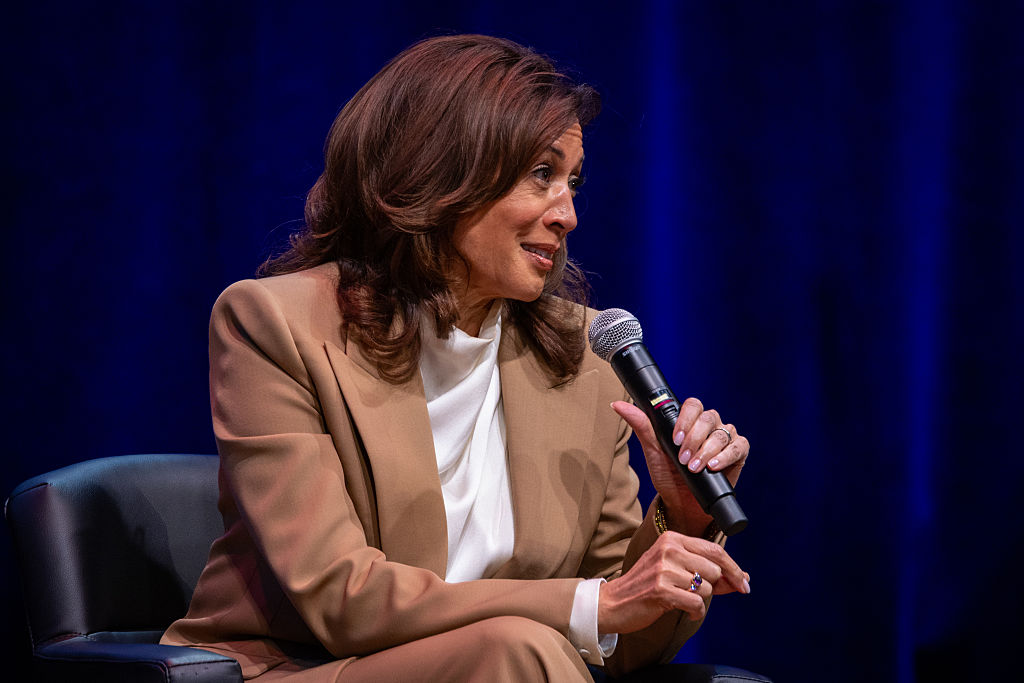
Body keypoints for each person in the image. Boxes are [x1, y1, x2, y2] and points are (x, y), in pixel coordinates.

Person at [161, 34, 751, 682]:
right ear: (443, 171)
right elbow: (339, 594)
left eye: (574, 183)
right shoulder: (278, 325)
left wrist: (681, 514)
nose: (568, 215)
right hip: (309, 668)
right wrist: (590, 605)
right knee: (516, 650)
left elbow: (618, 645)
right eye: (542, 174)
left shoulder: (584, 357)